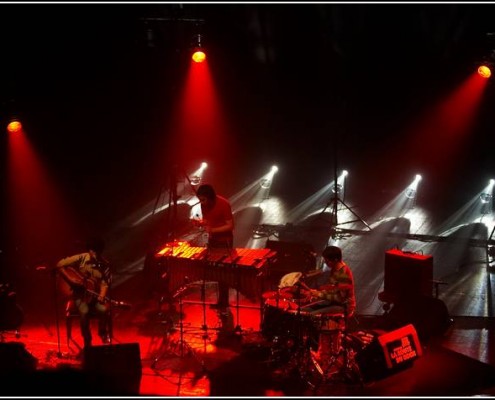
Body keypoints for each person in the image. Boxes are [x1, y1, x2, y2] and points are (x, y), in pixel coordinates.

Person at [56, 237, 112, 350]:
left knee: (104, 310)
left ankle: (102, 332)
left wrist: (102, 294)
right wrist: (71, 280)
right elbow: (59, 264)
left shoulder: (105, 264)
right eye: (93, 251)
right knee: (84, 311)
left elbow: (104, 283)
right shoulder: (81, 257)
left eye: (97, 251)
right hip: (80, 296)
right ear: (89, 250)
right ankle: (87, 341)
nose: (95, 254)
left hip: (94, 297)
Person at [308, 245, 356, 362]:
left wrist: (318, 294)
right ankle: (326, 351)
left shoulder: (342, 272)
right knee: (310, 308)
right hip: (337, 302)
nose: (326, 262)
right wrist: (319, 292)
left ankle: (324, 353)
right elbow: (334, 289)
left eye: (327, 260)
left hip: (344, 306)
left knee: (312, 314)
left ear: (334, 259)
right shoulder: (336, 269)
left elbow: (339, 298)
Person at [194, 183, 234, 310]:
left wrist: (212, 230)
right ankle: (221, 301)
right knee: (217, 273)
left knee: (224, 273)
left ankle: (224, 301)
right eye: (200, 200)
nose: (202, 203)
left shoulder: (224, 203)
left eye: (203, 199)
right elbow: (209, 222)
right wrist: (201, 223)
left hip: (224, 242)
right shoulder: (203, 205)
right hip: (213, 241)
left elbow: (230, 225)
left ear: (210, 197)